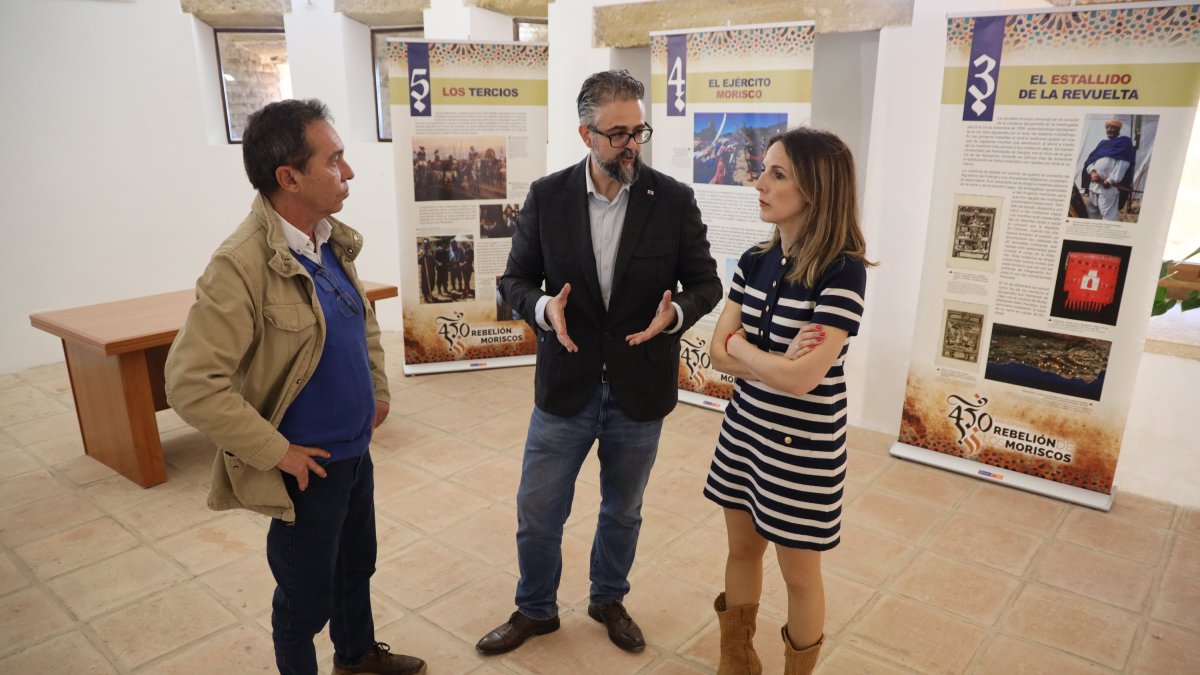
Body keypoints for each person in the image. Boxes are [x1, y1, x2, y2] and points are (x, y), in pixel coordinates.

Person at [164, 99, 425, 675]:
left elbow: (360, 323)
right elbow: (190, 383)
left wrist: (378, 391)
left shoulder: (330, 239)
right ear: (290, 178)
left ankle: (356, 658)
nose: (349, 172)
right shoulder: (239, 265)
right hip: (303, 472)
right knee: (304, 600)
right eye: (334, 161)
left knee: (356, 567)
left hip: (354, 454)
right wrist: (277, 451)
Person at [476, 69, 724, 655]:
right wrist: (541, 308)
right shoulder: (548, 196)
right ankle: (535, 608)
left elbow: (707, 284)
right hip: (567, 382)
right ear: (586, 134)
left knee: (623, 510)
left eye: (639, 131)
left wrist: (677, 315)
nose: (631, 144)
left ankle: (607, 596)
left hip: (640, 389)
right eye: (617, 134)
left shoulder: (673, 200)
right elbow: (513, 280)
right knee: (538, 511)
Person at [705, 127, 871, 675]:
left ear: (816, 190)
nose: (759, 183)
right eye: (764, 170)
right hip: (745, 428)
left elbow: (803, 380)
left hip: (803, 446)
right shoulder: (755, 260)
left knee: (800, 576)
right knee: (742, 551)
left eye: (777, 174)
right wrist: (766, 359)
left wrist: (745, 350)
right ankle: (736, 659)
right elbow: (715, 353)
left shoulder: (841, 270)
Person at [1081, 117, 1135, 221]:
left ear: (1118, 129)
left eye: (1113, 127)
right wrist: (1092, 171)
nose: (1109, 129)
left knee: (1108, 217)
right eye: (1108, 127)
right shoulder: (1103, 143)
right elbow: (1091, 160)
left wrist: (1111, 180)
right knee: (1092, 214)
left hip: (1107, 188)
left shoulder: (1124, 143)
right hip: (1094, 187)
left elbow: (1123, 163)